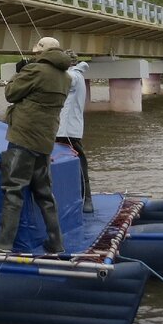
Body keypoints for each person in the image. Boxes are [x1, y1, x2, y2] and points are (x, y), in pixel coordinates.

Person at [0, 36, 70, 254]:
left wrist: (21, 71)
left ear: (41, 53)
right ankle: (56, 242)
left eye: (36, 54)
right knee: (45, 193)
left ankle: (3, 243)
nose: (33, 57)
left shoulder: (35, 71)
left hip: (23, 138)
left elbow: (10, 93)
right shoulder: (66, 77)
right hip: (45, 140)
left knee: (13, 190)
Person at [57, 60, 94, 213]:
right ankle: (71, 197)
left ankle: (87, 199)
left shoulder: (74, 75)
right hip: (61, 130)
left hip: (69, 131)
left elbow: (62, 81)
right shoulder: (74, 75)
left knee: (79, 165)